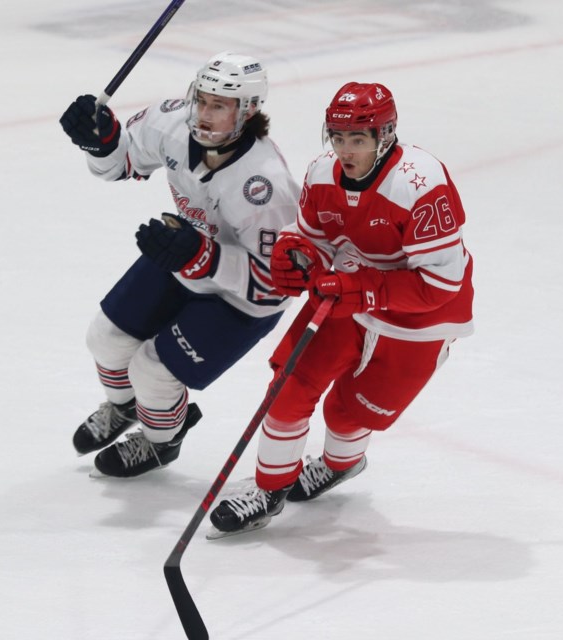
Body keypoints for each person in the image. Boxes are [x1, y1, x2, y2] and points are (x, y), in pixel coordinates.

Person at [208, 82, 474, 536]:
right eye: (337, 137)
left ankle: (339, 464)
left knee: (350, 413)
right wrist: (296, 252)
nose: (345, 150)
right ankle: (269, 489)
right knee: (288, 389)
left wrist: (364, 289)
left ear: (384, 135)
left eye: (358, 139)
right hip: (345, 293)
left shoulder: (421, 184)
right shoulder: (321, 173)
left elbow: (441, 283)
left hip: (419, 317)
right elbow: (311, 234)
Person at [58, 52, 299, 478]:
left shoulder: (264, 187)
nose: (204, 114)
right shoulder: (169, 122)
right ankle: (126, 407)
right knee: (107, 339)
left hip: (242, 296)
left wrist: (206, 259)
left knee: (153, 371)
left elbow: (276, 286)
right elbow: (119, 166)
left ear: (249, 111)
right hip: (188, 250)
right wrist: (101, 142)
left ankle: (161, 441)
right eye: (202, 100)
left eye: (219, 106)